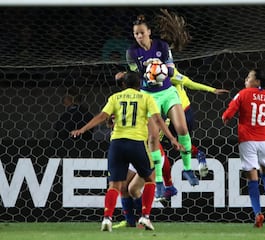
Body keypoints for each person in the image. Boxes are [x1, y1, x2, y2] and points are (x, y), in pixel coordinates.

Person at [70, 72, 182, 232]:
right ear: (140, 84)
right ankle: (144, 217)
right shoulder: (146, 99)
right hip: (137, 144)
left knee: (115, 185)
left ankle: (107, 218)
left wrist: (82, 129)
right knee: (149, 179)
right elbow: (157, 120)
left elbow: (102, 116)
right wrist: (172, 138)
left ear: (123, 84)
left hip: (117, 144)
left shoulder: (115, 98)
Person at [126, 13, 199, 200]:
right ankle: (159, 182)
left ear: (149, 32)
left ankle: (188, 169)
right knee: (152, 139)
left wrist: (161, 70)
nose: (139, 37)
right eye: (136, 34)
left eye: (142, 33)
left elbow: (172, 70)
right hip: (148, 96)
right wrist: (149, 73)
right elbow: (137, 76)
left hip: (167, 92)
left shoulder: (162, 46)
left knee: (182, 128)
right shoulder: (132, 53)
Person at [222, 69, 265, 228]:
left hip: (248, 141)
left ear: (257, 81)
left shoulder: (243, 94)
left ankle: (258, 214)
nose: (246, 80)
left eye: (249, 77)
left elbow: (227, 115)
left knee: (252, 178)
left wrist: (225, 118)